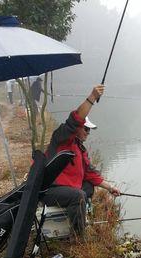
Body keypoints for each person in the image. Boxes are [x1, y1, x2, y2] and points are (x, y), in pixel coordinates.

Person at [42, 85, 121, 236]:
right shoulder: (61, 139)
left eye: (89, 130)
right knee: (78, 195)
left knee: (88, 187)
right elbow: (75, 119)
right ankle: (78, 236)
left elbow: (91, 174)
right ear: (77, 128)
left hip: (67, 190)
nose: (88, 133)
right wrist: (92, 97)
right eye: (86, 129)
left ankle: (79, 215)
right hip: (49, 189)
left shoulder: (80, 148)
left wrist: (110, 188)